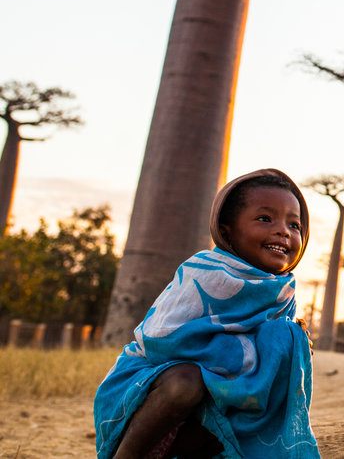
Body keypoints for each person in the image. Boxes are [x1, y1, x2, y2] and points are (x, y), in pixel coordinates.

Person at [94, 168, 320, 459]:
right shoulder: (205, 272)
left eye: (295, 225)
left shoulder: (281, 290)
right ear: (226, 230)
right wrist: (260, 350)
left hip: (215, 401)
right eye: (265, 218)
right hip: (147, 391)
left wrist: (291, 344)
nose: (283, 231)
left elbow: (271, 369)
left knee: (240, 395)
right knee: (187, 382)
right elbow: (162, 342)